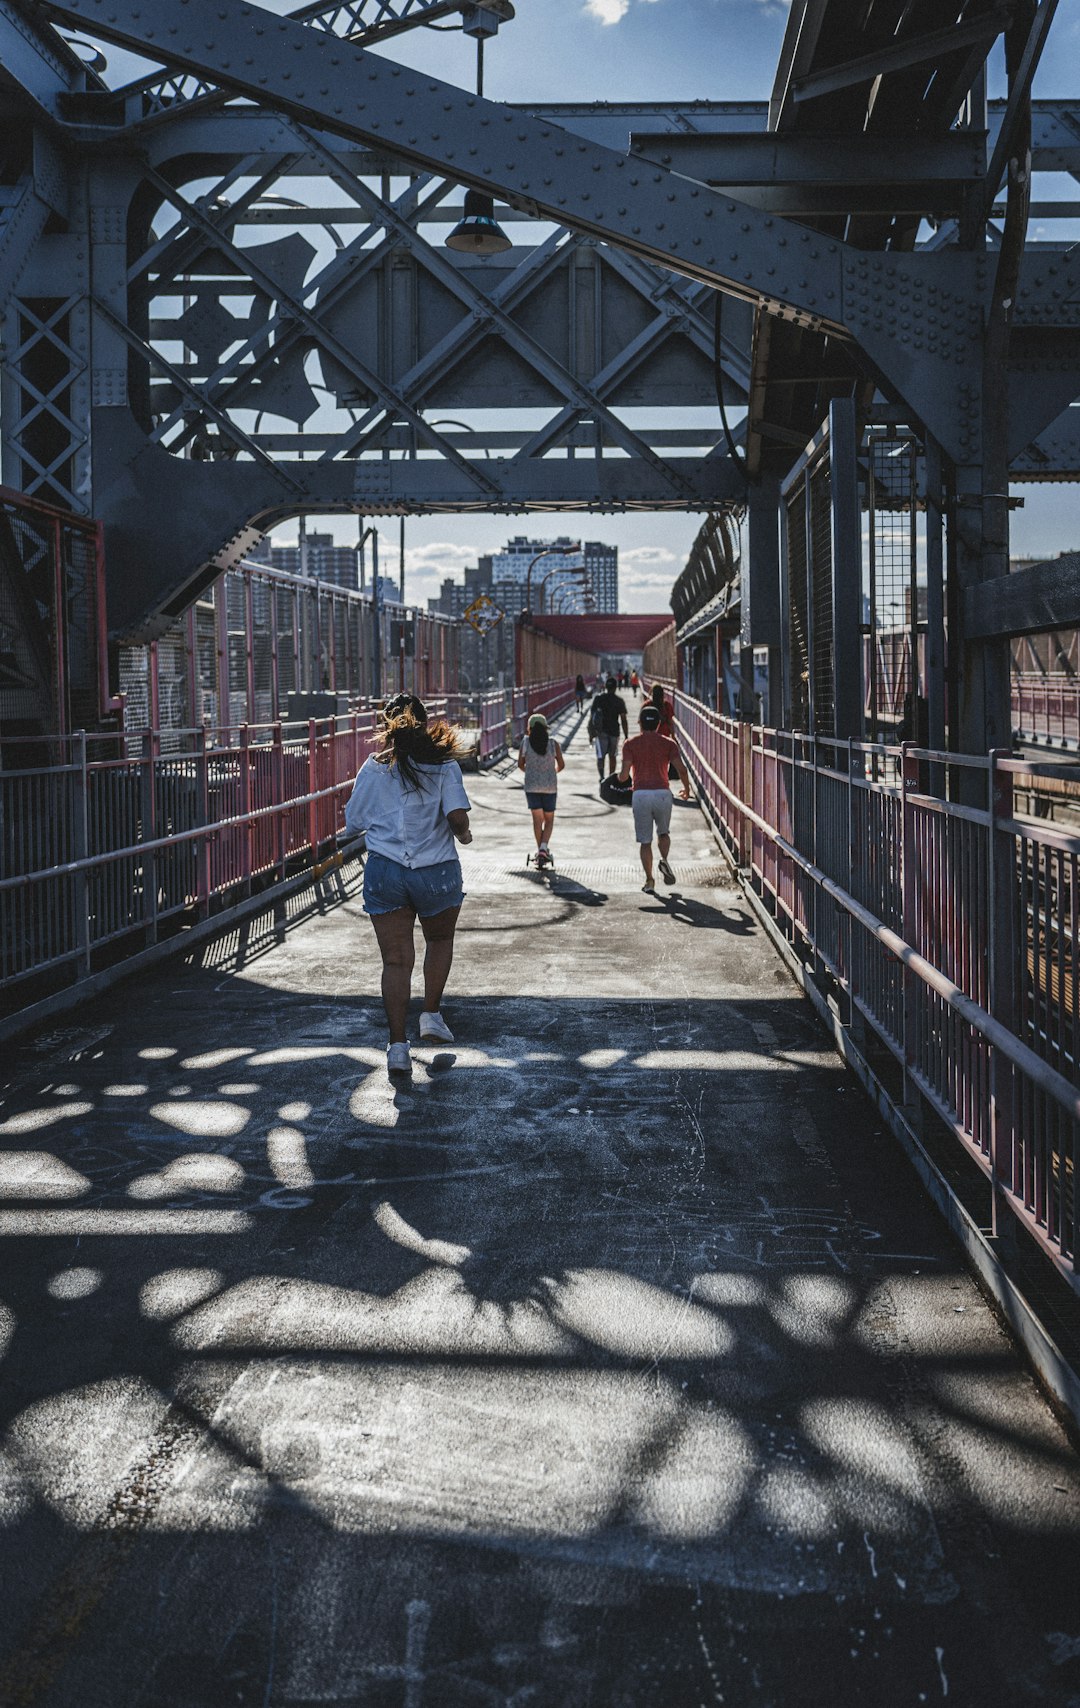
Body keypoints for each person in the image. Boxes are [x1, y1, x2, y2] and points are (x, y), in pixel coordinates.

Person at [344, 693, 472, 1075]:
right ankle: (431, 1015)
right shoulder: (444, 766)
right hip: (436, 872)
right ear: (424, 720)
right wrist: (464, 836)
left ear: (386, 726)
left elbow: (353, 821)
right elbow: (457, 818)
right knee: (438, 940)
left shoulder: (374, 767)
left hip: (386, 871)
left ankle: (397, 1047)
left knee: (395, 962)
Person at [618, 704, 690, 892]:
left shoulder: (630, 744)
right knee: (663, 833)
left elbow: (624, 776)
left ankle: (649, 880)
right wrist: (687, 788)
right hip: (663, 794)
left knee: (645, 841)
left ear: (640, 724)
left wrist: (618, 778)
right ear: (659, 724)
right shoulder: (669, 743)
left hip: (640, 794)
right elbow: (681, 769)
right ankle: (664, 860)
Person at [517, 712, 565, 868]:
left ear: (529, 729)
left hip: (532, 786)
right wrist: (551, 773)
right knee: (549, 819)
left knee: (537, 819)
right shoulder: (553, 744)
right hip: (550, 786)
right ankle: (543, 849)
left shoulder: (525, 743)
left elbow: (520, 764)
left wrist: (531, 773)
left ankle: (541, 851)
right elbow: (562, 765)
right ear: (545, 728)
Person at [588, 675, 629, 782]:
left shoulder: (598, 699)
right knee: (613, 756)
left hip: (601, 731)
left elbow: (592, 716)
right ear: (615, 688)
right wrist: (626, 735)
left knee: (600, 756)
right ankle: (611, 777)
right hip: (614, 731)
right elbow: (623, 719)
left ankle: (602, 777)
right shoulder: (619, 701)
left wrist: (590, 733)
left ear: (605, 686)